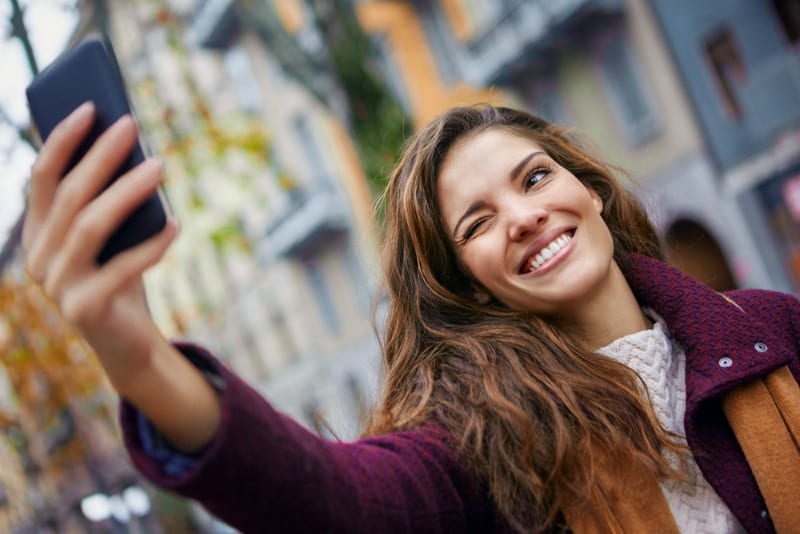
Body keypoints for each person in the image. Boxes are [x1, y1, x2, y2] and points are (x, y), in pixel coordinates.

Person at [22, 102, 800, 533]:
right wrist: (138, 358)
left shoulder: (769, 329)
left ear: (588, 189)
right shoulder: (487, 441)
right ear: (472, 284)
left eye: (534, 177)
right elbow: (331, 500)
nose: (525, 216)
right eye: (478, 223)